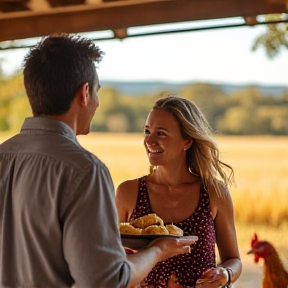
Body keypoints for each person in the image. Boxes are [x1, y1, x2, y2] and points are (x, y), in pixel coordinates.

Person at [0, 34, 196, 288]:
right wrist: (157, 251)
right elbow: (106, 281)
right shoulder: (84, 170)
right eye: (97, 92)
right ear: (84, 93)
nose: (97, 102)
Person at [116, 95, 242, 288]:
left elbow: (234, 260)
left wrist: (225, 274)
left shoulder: (214, 193)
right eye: (147, 131)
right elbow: (112, 258)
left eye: (161, 133)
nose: (149, 140)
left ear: (187, 141)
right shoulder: (128, 192)